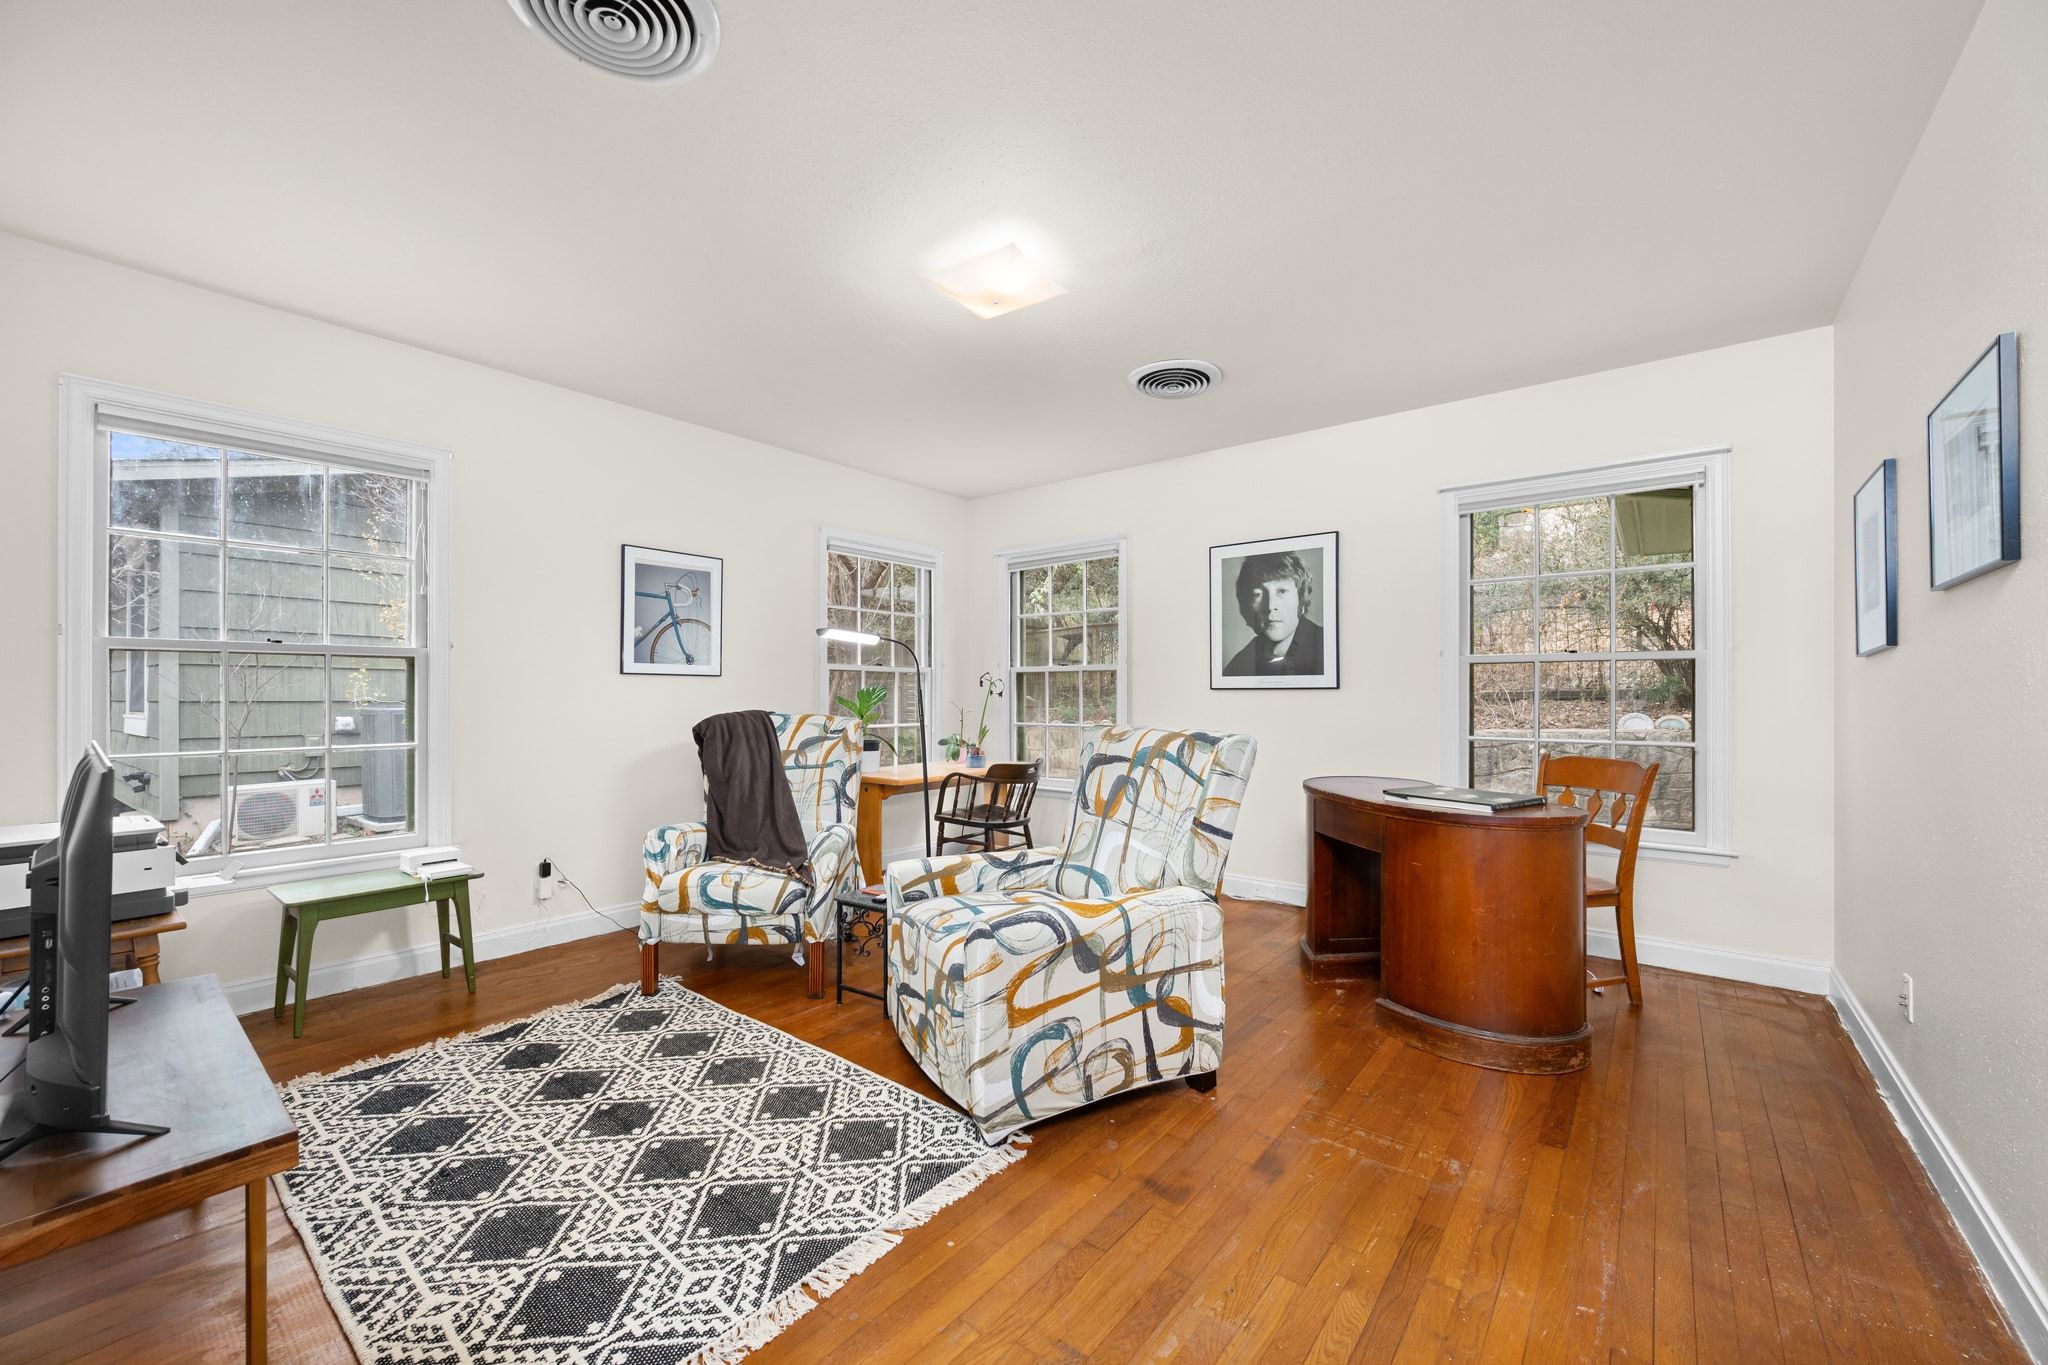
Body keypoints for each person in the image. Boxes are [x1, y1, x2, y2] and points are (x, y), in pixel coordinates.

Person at [1223, 551, 1324, 676]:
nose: (1270, 606)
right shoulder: (1240, 664)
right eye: (1258, 594)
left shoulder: (1326, 648)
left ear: (1301, 601)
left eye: (1282, 591)